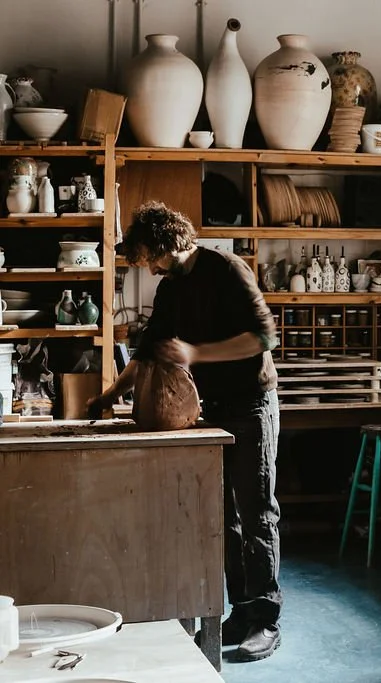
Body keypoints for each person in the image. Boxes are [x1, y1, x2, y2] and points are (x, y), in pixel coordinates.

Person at [90, 201, 283, 661]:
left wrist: (196, 355)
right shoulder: (172, 286)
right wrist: (111, 392)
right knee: (224, 518)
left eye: (151, 258)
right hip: (211, 408)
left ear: (169, 244)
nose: (151, 269)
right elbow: (150, 347)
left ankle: (266, 620)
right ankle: (241, 607)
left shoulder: (226, 269)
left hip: (250, 404)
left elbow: (263, 337)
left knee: (257, 513)